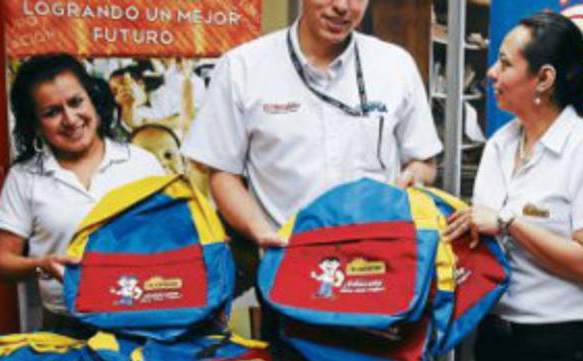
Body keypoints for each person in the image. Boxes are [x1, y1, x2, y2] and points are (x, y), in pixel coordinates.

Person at [443, 11, 583, 361]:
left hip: (561, 350)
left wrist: (509, 223)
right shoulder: (500, 144)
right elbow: (482, 237)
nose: (491, 72)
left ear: (544, 78)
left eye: (505, 63)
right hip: (495, 340)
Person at [182, 0, 442, 281]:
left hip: (377, 264)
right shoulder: (243, 67)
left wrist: (413, 177)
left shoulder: (395, 65)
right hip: (286, 261)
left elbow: (424, 162)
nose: (342, 6)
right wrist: (260, 232)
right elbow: (222, 172)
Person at [0, 54, 165, 336]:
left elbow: (171, 238)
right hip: (65, 325)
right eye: (52, 112)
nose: (70, 119)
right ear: (35, 124)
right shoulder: (25, 176)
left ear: (93, 100)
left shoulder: (141, 163)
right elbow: (4, 263)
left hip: (143, 318)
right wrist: (42, 265)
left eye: (76, 102)